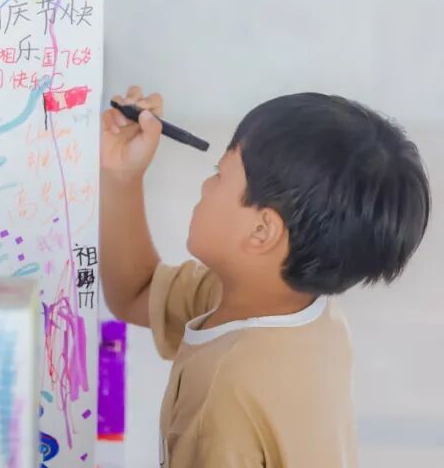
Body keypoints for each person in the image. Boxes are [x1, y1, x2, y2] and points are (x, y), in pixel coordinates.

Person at [99, 86, 430, 467]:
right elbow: (137, 292)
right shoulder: (297, 313)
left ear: (262, 231)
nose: (206, 185)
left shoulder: (225, 391)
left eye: (219, 174)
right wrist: (122, 177)